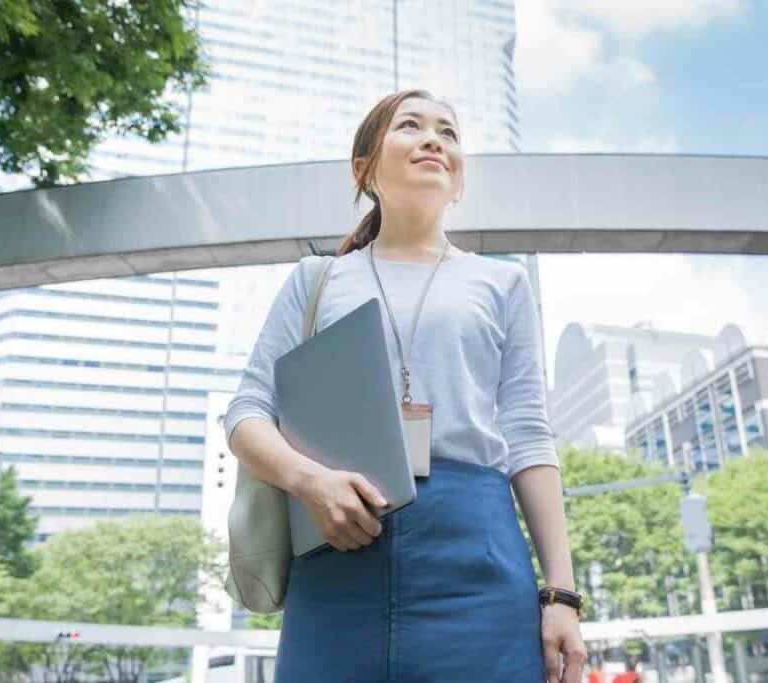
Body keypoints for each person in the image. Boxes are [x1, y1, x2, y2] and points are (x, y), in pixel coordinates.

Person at [225, 89, 587, 682]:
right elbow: (246, 413)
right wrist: (308, 481)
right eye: (411, 126)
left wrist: (562, 595)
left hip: (478, 558)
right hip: (337, 546)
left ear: (460, 179)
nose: (434, 139)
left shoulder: (503, 284)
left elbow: (528, 436)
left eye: (448, 132)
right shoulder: (318, 280)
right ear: (364, 168)